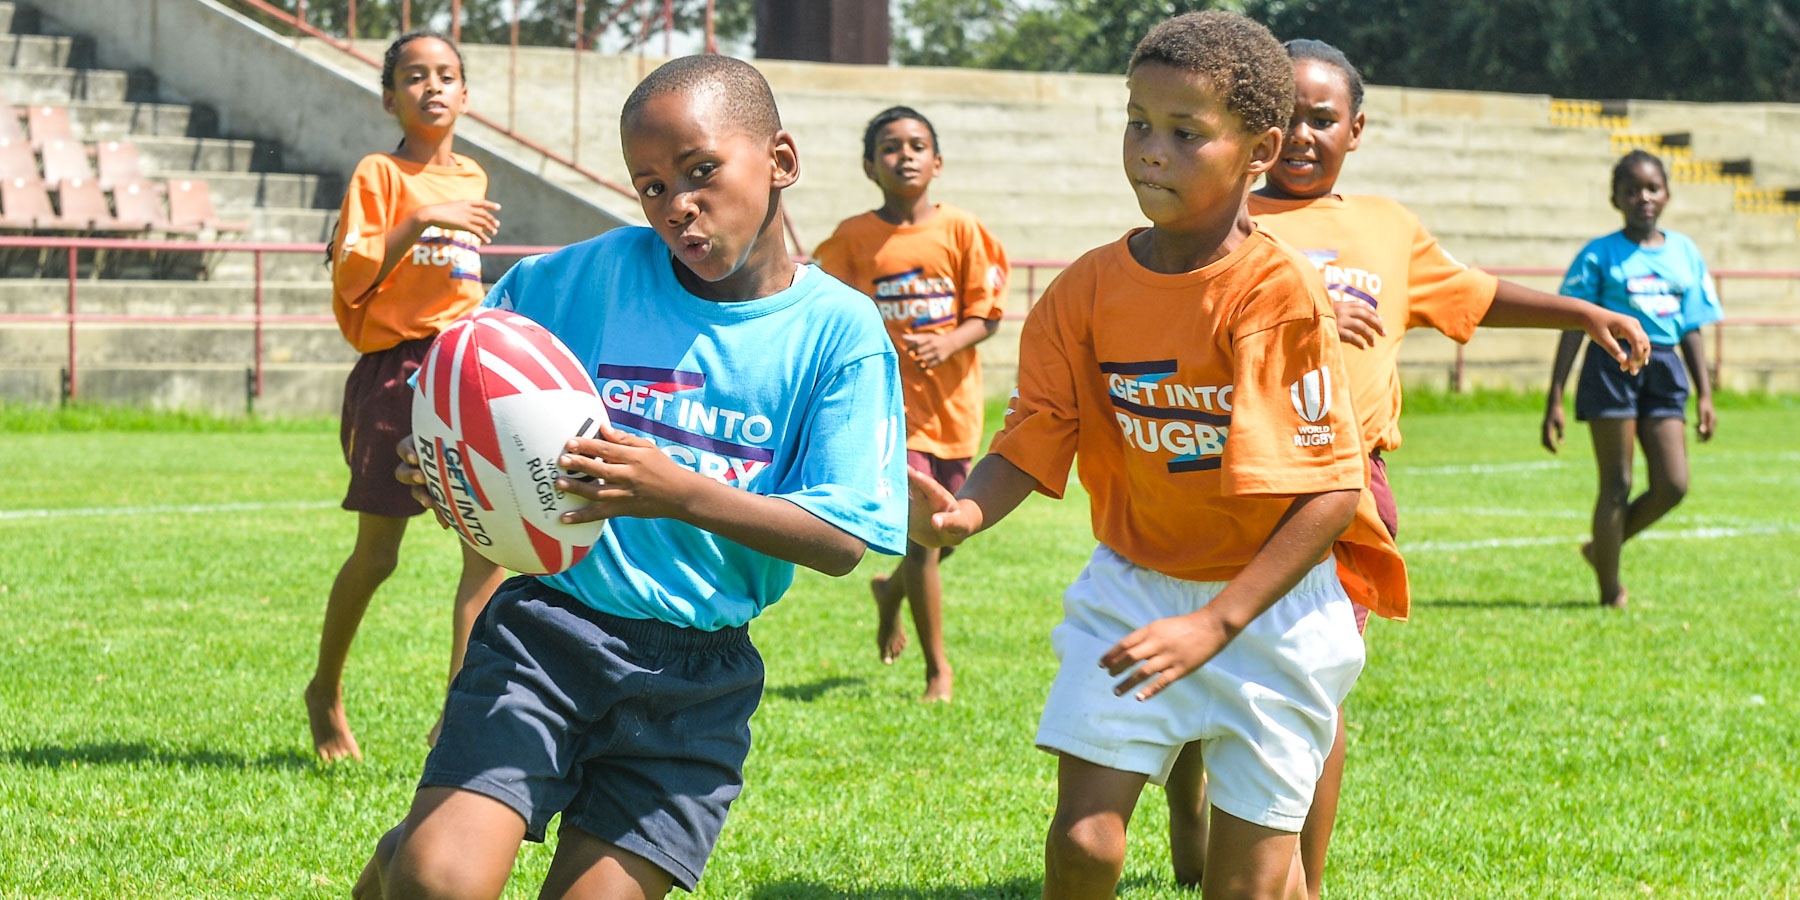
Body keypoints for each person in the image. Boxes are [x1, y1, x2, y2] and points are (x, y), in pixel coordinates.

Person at [351, 55, 907, 900]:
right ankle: (411, 854)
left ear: (781, 163)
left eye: (701, 172)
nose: (676, 203)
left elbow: (840, 542)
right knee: (437, 882)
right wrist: (443, 460)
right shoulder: (576, 279)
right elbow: (465, 378)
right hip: (549, 631)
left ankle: (414, 848)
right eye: (650, 186)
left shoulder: (840, 332)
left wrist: (676, 490)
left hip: (696, 683)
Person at [907, 13, 1407, 899]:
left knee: (1245, 884)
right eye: (1139, 122)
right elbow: (1033, 436)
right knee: (1085, 841)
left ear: (1259, 150)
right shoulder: (1085, 289)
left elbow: (1331, 493)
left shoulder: (1277, 292)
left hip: (1272, 610)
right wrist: (963, 512)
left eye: (1185, 132)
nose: (1150, 150)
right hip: (1134, 587)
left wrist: (1217, 624)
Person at [1217, 39, 1655, 898]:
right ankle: (1201, 838)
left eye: (1323, 118)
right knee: (1214, 662)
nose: (1303, 135)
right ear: (1253, 127)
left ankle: (1304, 876)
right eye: (1285, 117)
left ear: (1357, 128)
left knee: (1316, 680)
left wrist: (1585, 312)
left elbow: (1478, 295)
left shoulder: (1385, 227)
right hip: (1229, 478)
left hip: (1345, 484)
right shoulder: (1224, 218)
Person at [309, 30, 508, 764]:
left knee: (486, 552)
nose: (433, 87)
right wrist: (421, 219)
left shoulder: (476, 176)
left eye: (447, 75)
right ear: (389, 96)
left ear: (464, 93)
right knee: (378, 556)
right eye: (415, 76)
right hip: (395, 374)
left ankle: (460, 715)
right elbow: (353, 275)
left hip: (463, 369)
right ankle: (325, 692)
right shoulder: (379, 174)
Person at [812, 105, 1010, 702]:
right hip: (895, 415)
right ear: (870, 165)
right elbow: (828, 311)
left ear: (938, 161)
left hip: (956, 412)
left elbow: (987, 315)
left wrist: (948, 340)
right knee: (925, 535)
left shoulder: (964, 231)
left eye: (918, 145)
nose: (905, 155)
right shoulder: (852, 238)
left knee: (947, 535)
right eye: (891, 147)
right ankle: (937, 672)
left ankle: (891, 591)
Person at [1544, 150, 1719, 608]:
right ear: (1615, 197)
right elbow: (1573, 325)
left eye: (1652, 188)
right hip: (1612, 365)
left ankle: (1600, 549)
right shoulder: (1598, 254)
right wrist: (1555, 396)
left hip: (1664, 368)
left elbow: (1692, 327)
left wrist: (1705, 394)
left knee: (1673, 484)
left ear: (1666, 194)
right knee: (1616, 484)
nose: (1643, 197)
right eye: (1631, 189)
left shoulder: (1684, 252)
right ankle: (1609, 593)